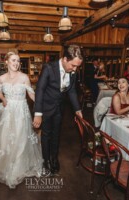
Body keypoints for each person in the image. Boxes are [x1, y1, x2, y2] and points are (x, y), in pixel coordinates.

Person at [0, 52, 42, 188]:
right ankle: (6, 161)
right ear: (7, 62)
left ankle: (18, 165)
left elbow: (31, 94)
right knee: (6, 136)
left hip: (21, 112)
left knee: (20, 137)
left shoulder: (24, 77)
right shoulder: (2, 78)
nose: (16, 63)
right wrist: (3, 99)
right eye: (13, 60)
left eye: (18, 61)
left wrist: (41, 107)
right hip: (8, 111)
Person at [33, 45, 83, 175]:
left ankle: (54, 158)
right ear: (65, 59)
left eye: (77, 66)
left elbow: (71, 91)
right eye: (73, 65)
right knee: (46, 135)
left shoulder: (72, 70)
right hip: (46, 108)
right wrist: (38, 114)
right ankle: (45, 161)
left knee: (56, 134)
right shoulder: (49, 68)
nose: (75, 69)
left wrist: (77, 109)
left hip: (60, 108)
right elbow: (40, 91)